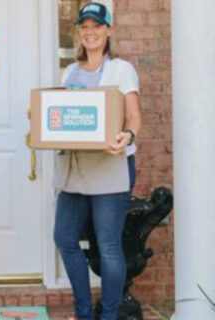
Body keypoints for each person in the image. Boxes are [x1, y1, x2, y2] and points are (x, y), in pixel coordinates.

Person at [53, 3, 142, 320]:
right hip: (75, 167)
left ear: (108, 31)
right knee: (64, 238)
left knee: (107, 246)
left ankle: (108, 314)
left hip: (110, 164)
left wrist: (127, 137)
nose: (90, 32)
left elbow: (133, 118)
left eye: (97, 26)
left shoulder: (121, 70)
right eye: (85, 26)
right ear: (79, 31)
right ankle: (83, 312)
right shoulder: (69, 72)